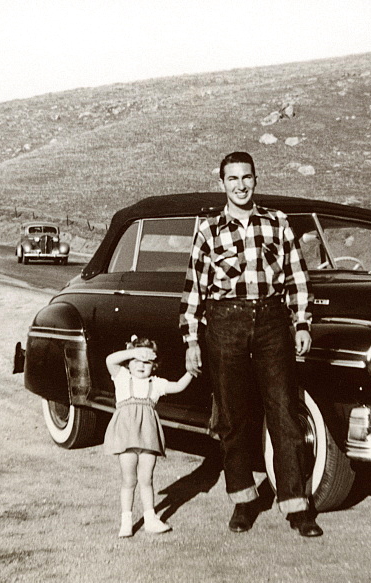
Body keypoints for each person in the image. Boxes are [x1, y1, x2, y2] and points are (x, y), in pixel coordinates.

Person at [180, 151, 322, 538]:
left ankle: (297, 506)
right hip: (224, 324)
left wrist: (302, 323)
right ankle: (243, 500)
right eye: (233, 178)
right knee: (232, 415)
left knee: (285, 412)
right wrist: (191, 339)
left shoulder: (277, 223)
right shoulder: (208, 230)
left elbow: (297, 277)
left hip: (273, 321)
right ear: (221, 182)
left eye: (247, 177)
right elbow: (194, 290)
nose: (240, 185)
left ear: (256, 180)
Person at [103, 335, 193, 537]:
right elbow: (110, 360)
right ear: (129, 361)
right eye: (136, 361)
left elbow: (178, 386)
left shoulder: (157, 383)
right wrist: (134, 352)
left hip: (148, 436)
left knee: (146, 478)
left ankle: (150, 518)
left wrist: (191, 372)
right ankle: (126, 521)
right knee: (129, 479)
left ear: (155, 365)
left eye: (147, 362)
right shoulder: (122, 377)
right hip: (126, 435)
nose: (141, 366)